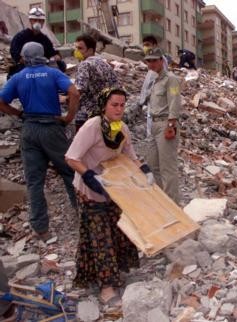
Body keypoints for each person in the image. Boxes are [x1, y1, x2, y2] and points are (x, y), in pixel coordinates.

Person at [65, 87, 153, 305]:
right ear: (104, 105)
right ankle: (107, 288)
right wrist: (88, 176)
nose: (119, 109)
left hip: (113, 188)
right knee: (100, 237)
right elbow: (71, 157)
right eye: (114, 105)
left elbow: (129, 155)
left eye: (123, 105)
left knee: (119, 230)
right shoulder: (92, 127)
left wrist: (144, 169)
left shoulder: (121, 128)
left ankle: (119, 271)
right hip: (90, 190)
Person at [0, 42, 79, 240]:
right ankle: (82, 214)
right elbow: (74, 92)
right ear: (42, 55)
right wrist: (69, 117)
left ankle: (41, 228)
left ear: (24, 57)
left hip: (29, 129)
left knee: (34, 181)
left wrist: (18, 114)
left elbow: (1, 101)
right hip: (51, 127)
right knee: (69, 171)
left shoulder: (18, 77)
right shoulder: (52, 73)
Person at [144, 48, 181, 204]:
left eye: (154, 60)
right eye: (148, 61)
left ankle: (173, 205)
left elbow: (174, 100)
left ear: (161, 60)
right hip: (154, 124)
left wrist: (171, 124)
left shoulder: (171, 79)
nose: (151, 64)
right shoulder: (155, 80)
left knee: (168, 168)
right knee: (152, 165)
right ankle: (161, 202)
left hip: (166, 123)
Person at [74, 34, 118, 130]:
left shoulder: (85, 65)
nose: (76, 51)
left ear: (90, 50)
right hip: (105, 115)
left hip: (86, 117)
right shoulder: (105, 64)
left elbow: (78, 90)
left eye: (80, 48)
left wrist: (65, 98)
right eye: (76, 48)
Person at [8, 7, 65, 79]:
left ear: (43, 22)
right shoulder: (20, 37)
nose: (37, 22)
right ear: (30, 21)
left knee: (61, 67)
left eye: (40, 20)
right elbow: (15, 53)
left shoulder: (44, 39)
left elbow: (52, 53)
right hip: (25, 69)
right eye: (35, 20)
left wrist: (57, 56)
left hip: (42, 69)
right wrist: (26, 61)